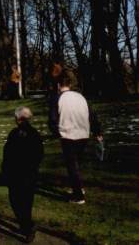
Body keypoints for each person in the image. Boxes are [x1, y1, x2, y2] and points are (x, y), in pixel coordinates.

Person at [49, 71, 102, 204]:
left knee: (72, 166)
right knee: (77, 164)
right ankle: (78, 188)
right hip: (83, 134)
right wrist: (97, 132)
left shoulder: (57, 98)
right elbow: (92, 116)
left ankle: (78, 196)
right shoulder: (80, 97)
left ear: (58, 85)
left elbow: (52, 120)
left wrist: (57, 133)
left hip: (68, 135)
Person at [2, 107, 44, 242]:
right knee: (26, 202)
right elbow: (39, 154)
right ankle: (26, 225)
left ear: (19, 119)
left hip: (17, 173)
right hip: (28, 174)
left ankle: (27, 227)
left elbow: (8, 154)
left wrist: (6, 170)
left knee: (16, 201)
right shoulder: (35, 134)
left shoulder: (15, 134)